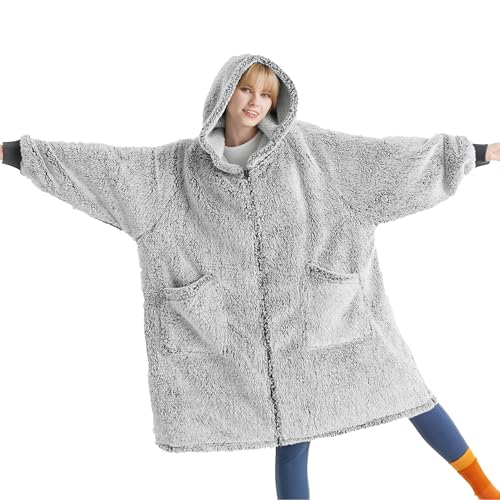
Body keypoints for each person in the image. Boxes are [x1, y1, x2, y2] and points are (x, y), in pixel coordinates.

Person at [1, 54, 499, 500]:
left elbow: (387, 165)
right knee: (291, 438)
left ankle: (486, 490)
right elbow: (103, 170)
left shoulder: (312, 153)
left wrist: (476, 153)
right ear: (225, 93)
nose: (256, 102)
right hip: (238, 340)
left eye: (266, 94)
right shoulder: (173, 172)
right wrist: (13, 153)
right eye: (246, 89)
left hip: (329, 319)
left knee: (410, 392)